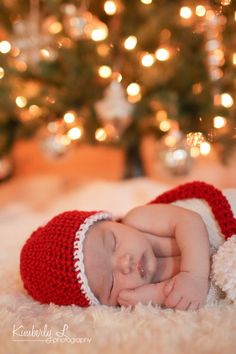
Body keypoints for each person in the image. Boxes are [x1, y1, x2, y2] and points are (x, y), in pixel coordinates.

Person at [20, 181, 236, 310]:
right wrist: (160, 293)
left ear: (112, 222)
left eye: (112, 243)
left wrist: (193, 275)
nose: (124, 264)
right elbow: (209, 283)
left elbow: (191, 222)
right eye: (111, 282)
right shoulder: (138, 293)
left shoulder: (138, 219)